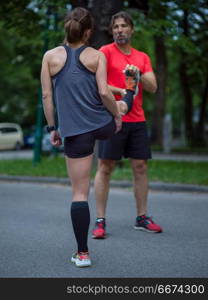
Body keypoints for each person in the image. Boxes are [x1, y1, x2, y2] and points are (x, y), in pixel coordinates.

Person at [40, 7, 138, 267]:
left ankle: (82, 254)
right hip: (103, 125)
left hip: (77, 133)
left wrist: (53, 129)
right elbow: (104, 92)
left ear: (66, 28)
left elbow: (47, 97)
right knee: (121, 104)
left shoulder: (50, 57)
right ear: (88, 32)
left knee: (79, 193)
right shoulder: (96, 56)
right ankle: (130, 91)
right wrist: (117, 116)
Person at [92, 11, 163, 239]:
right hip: (111, 118)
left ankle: (142, 218)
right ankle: (100, 221)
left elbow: (153, 86)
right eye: (116, 27)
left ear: (131, 30)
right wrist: (122, 91)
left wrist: (138, 73)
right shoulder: (105, 52)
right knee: (105, 167)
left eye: (124, 26)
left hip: (137, 119)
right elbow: (98, 83)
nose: (120, 30)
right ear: (112, 31)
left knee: (140, 167)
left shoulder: (141, 57)